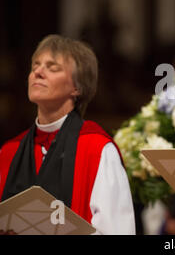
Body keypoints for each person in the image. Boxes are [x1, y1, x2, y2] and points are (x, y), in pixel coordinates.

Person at [0, 35, 135, 235]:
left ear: (77, 88)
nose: (38, 72)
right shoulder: (8, 152)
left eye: (52, 67)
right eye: (35, 65)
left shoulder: (96, 150)